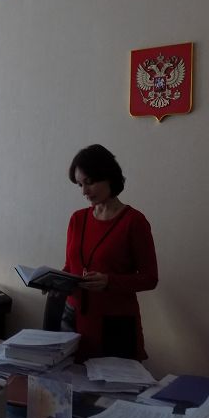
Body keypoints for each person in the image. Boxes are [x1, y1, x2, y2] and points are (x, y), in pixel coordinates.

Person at [61, 144, 158, 361]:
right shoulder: (77, 219)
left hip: (115, 324)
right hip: (73, 318)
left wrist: (109, 281)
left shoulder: (134, 221)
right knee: (68, 380)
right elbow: (70, 267)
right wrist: (53, 281)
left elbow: (150, 278)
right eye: (80, 185)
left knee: (113, 382)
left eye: (89, 182)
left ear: (109, 177)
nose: (84, 191)